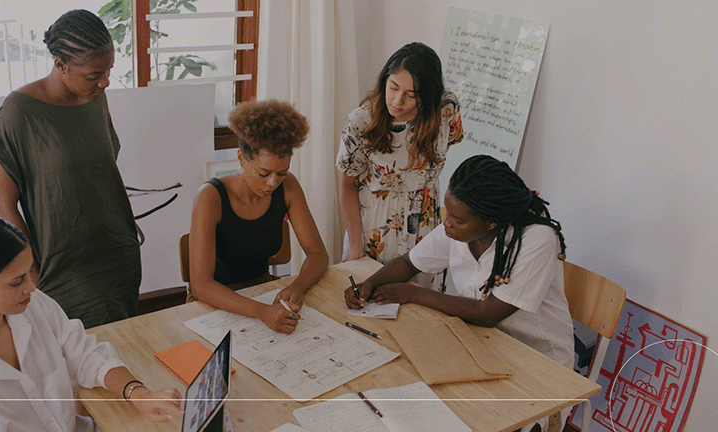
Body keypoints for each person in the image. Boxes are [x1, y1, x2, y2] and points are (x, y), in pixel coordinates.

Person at [344, 155, 574, 432]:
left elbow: (487, 313)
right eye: (447, 213)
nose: (447, 223)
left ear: (490, 222)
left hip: (537, 361)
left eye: (458, 219)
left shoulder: (536, 240)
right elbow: (407, 263)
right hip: (481, 343)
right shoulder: (458, 230)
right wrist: (368, 285)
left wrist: (414, 294)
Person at [0, 214, 182, 432]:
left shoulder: (32, 304)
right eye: (16, 281)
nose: (31, 287)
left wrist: (138, 394)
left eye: (30, 271)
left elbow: (85, 355)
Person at [0, 9, 141, 328]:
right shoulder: (18, 113)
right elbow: (3, 203)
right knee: (76, 357)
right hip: (62, 265)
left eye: (109, 70)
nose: (105, 81)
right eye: (93, 75)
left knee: (123, 346)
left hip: (117, 254)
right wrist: (29, 269)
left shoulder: (95, 98)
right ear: (61, 65)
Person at [188, 99, 329, 334]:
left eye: (281, 173)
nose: (273, 183)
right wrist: (262, 312)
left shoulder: (288, 187)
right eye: (264, 173)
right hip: (214, 302)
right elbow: (201, 286)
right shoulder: (210, 196)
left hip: (261, 292)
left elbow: (317, 254)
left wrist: (298, 286)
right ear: (242, 158)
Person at [336, 42, 464, 279]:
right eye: (393, 87)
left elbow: (450, 142)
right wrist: (355, 246)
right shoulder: (361, 121)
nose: (397, 100)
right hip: (375, 229)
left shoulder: (446, 110)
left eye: (411, 95)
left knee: (422, 307)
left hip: (426, 225)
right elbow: (346, 186)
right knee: (371, 302)